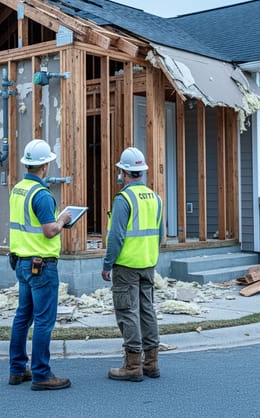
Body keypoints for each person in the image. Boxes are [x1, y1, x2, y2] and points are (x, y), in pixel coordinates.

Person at [8, 139, 72, 391]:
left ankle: (16, 369)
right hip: (42, 266)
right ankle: (41, 374)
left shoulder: (18, 189)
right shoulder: (42, 194)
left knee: (22, 317)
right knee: (44, 320)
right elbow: (49, 231)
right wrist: (64, 219)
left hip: (22, 263)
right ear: (45, 165)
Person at [101, 146, 164, 382]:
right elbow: (159, 234)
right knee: (147, 311)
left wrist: (108, 264)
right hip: (148, 263)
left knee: (127, 312)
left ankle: (133, 365)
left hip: (126, 266)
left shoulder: (123, 199)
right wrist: (149, 257)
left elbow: (116, 237)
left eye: (120, 171)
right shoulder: (155, 198)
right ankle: (152, 362)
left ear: (124, 173)